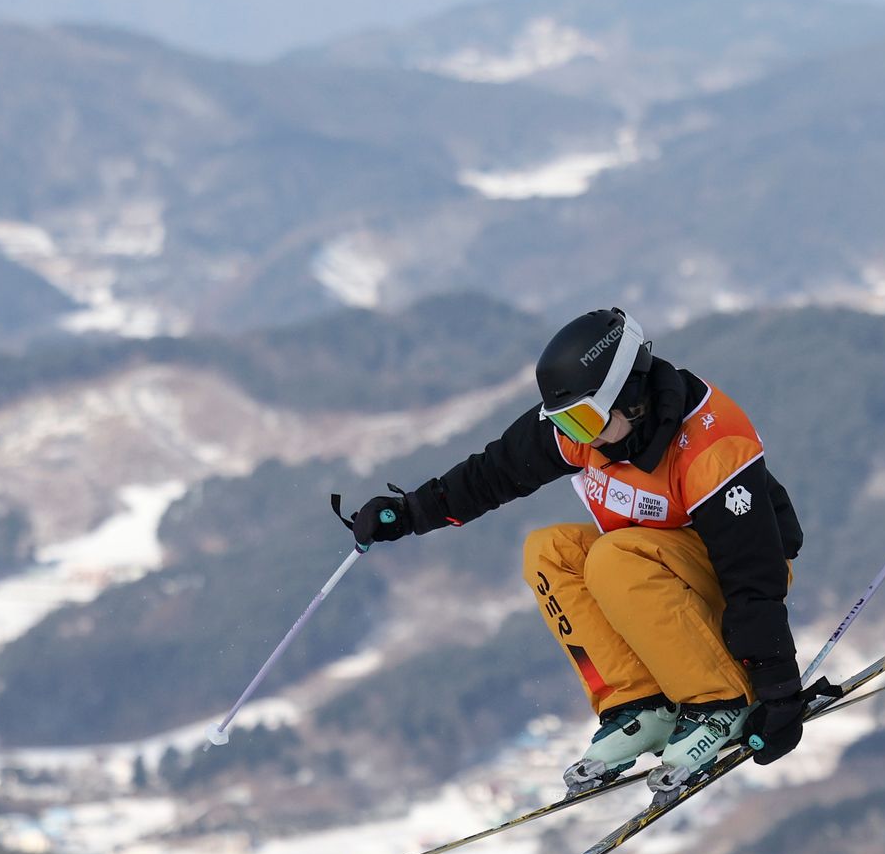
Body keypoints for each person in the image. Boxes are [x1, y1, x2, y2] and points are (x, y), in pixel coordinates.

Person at [347, 307, 817, 804]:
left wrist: (778, 690)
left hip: (735, 581)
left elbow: (755, 575)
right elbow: (495, 472)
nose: (579, 435)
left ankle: (719, 702)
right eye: (566, 421)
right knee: (549, 552)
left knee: (614, 556)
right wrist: (410, 512)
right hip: (652, 571)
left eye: (586, 418)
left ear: (630, 396)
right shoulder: (586, 435)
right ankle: (642, 706)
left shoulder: (709, 446)